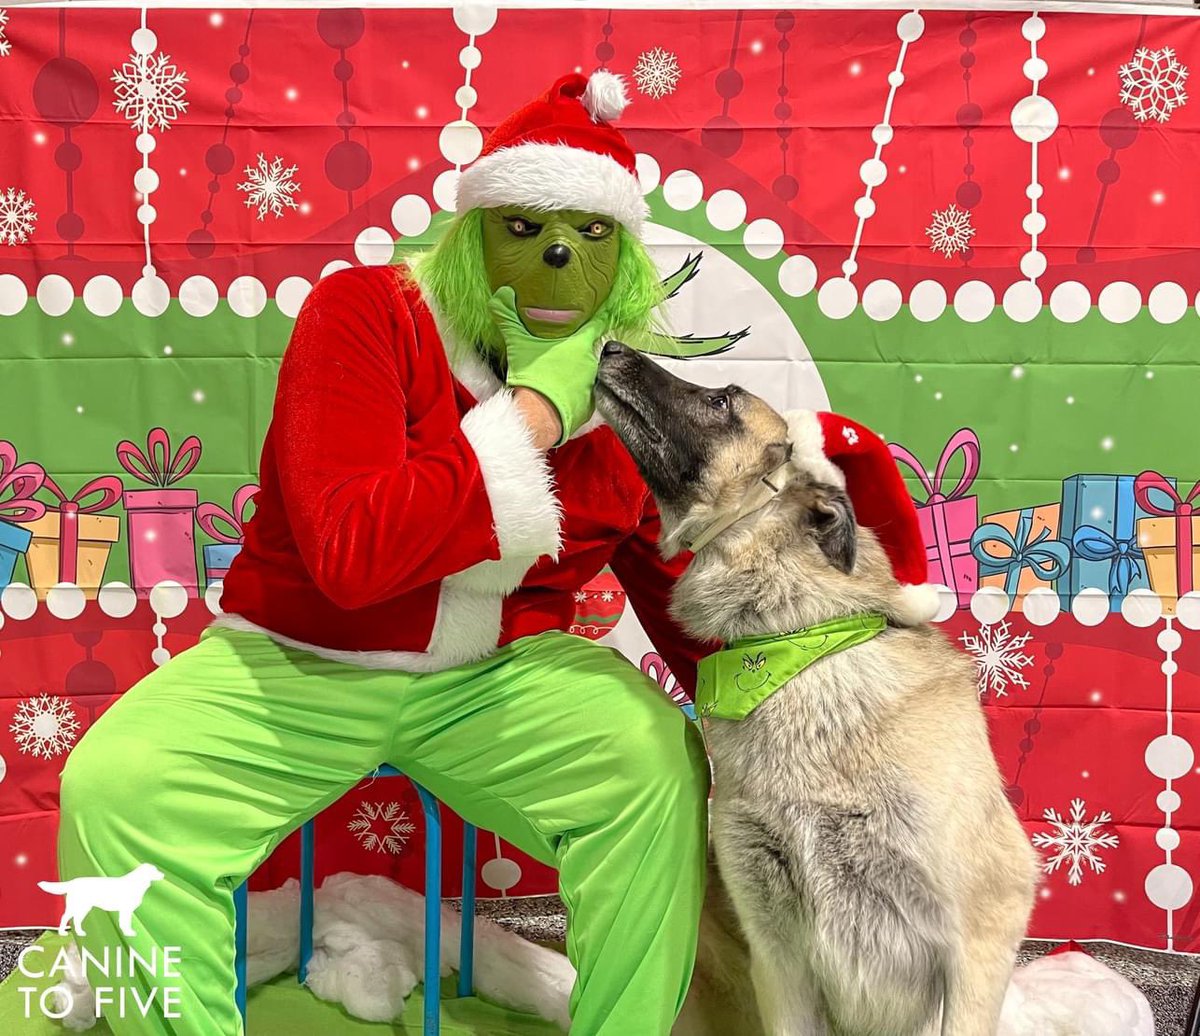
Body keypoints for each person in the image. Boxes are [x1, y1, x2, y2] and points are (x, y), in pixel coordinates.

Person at [57, 70, 710, 1036]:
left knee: (654, 762)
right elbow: (350, 555)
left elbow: (700, 607)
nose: (557, 255)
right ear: (470, 236)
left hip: (499, 677)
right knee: (117, 788)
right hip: (298, 659)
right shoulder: (365, 314)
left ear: (625, 261)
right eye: (523, 228)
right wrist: (531, 416)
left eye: (590, 234)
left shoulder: (623, 409)